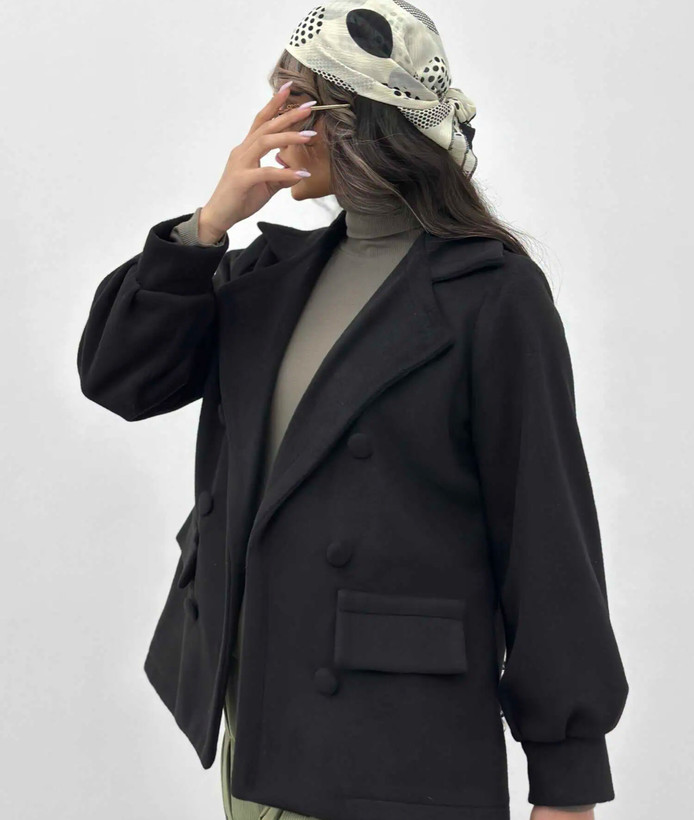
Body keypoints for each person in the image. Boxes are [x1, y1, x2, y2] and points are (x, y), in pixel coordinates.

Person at [77, 3, 629, 819]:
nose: (270, 126)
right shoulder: (266, 276)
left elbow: (546, 537)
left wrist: (568, 781)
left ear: (347, 119)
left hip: (398, 749)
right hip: (257, 736)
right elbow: (120, 379)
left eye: (290, 99)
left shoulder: (492, 295)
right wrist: (206, 226)